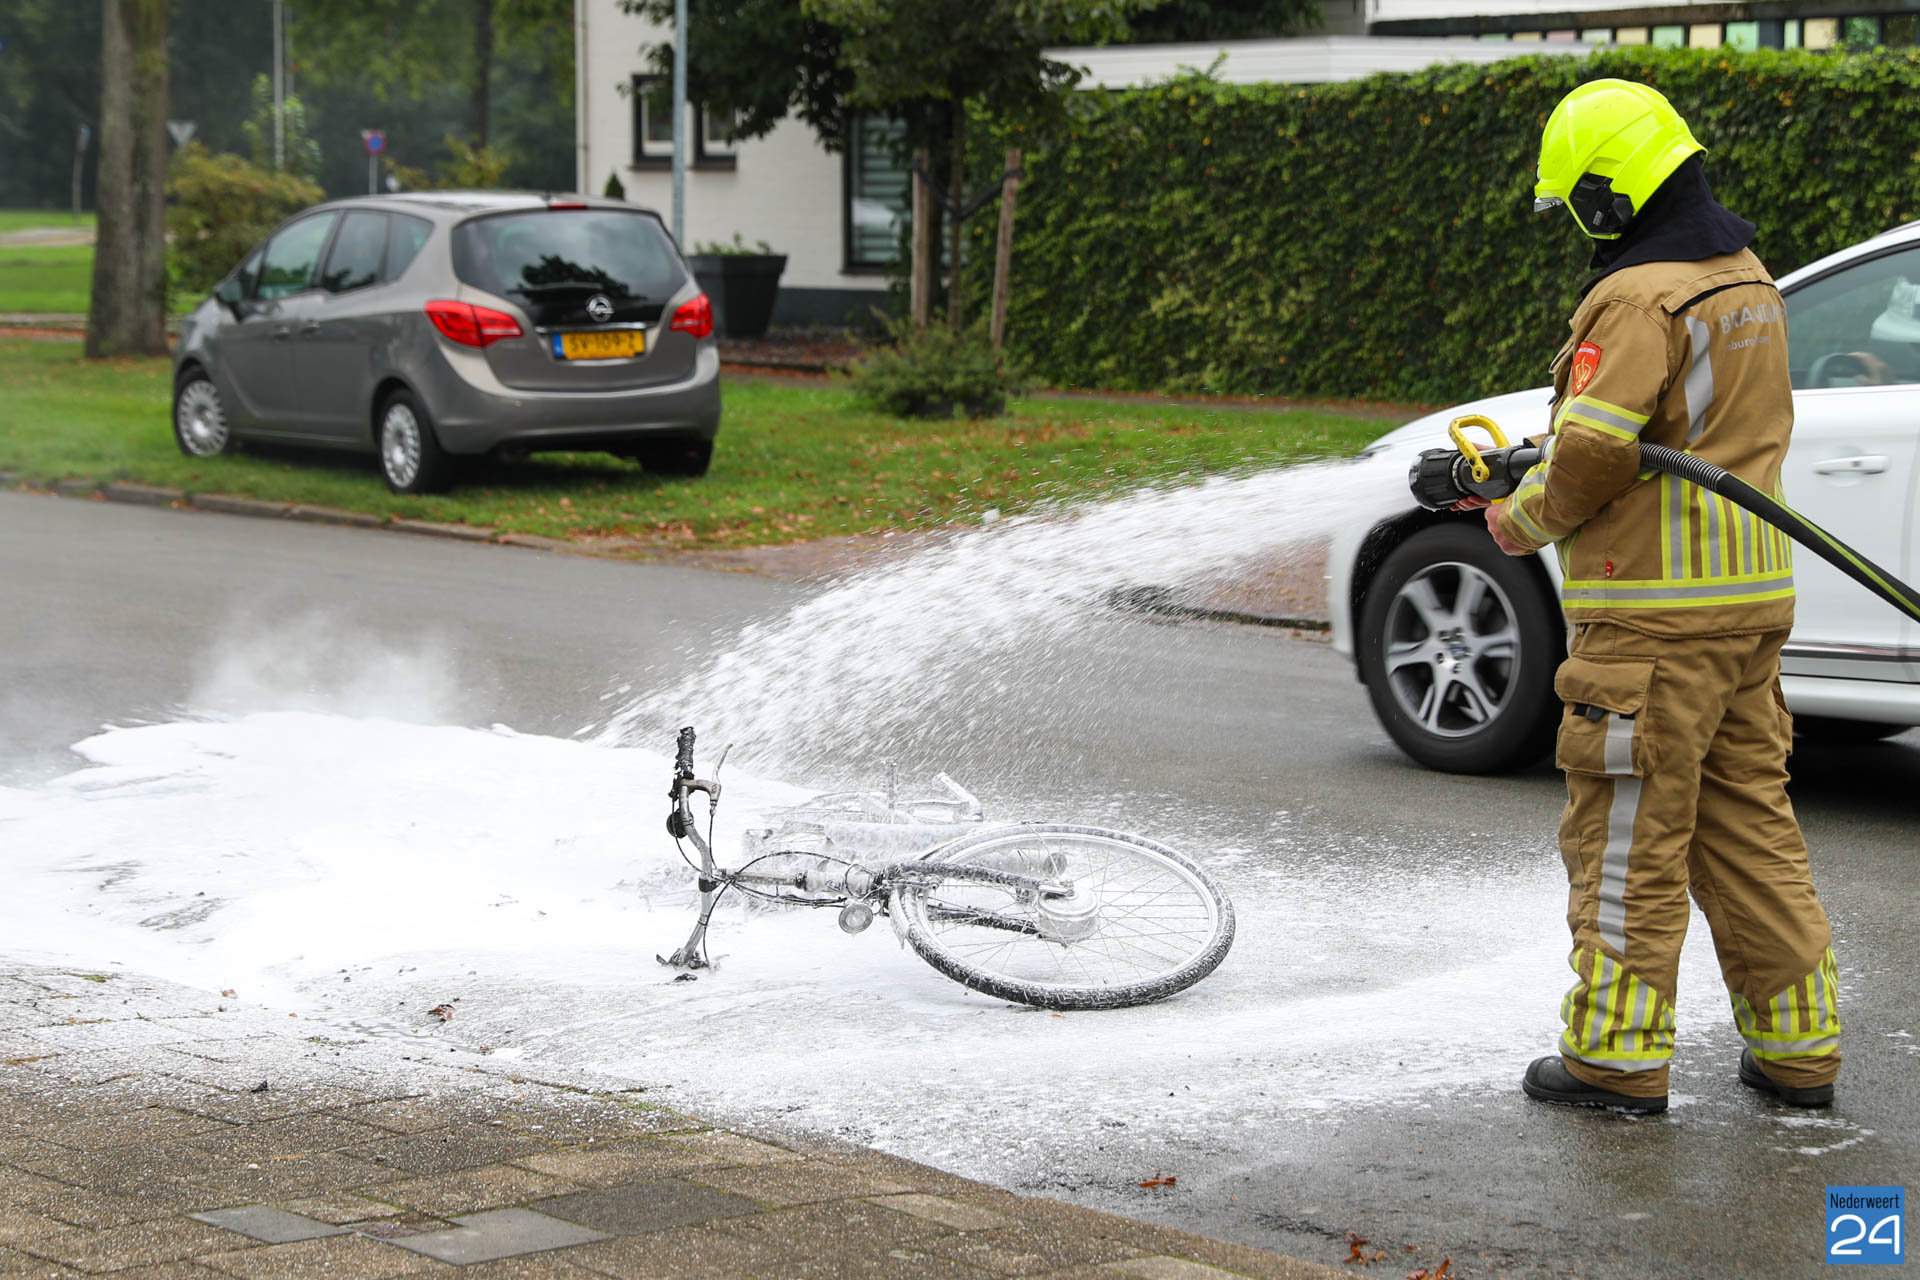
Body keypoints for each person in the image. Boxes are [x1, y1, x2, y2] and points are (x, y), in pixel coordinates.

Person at [1480, 79, 1841, 1113]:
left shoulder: (1638, 295)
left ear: (1609, 190)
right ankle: (1799, 1048)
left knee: (1629, 837)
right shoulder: (1749, 280)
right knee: (1749, 830)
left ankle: (1615, 1060)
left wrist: (1521, 518)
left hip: (1648, 622)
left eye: (1578, 203)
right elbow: (1673, 434)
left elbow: (1595, 452)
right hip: (1749, 611)